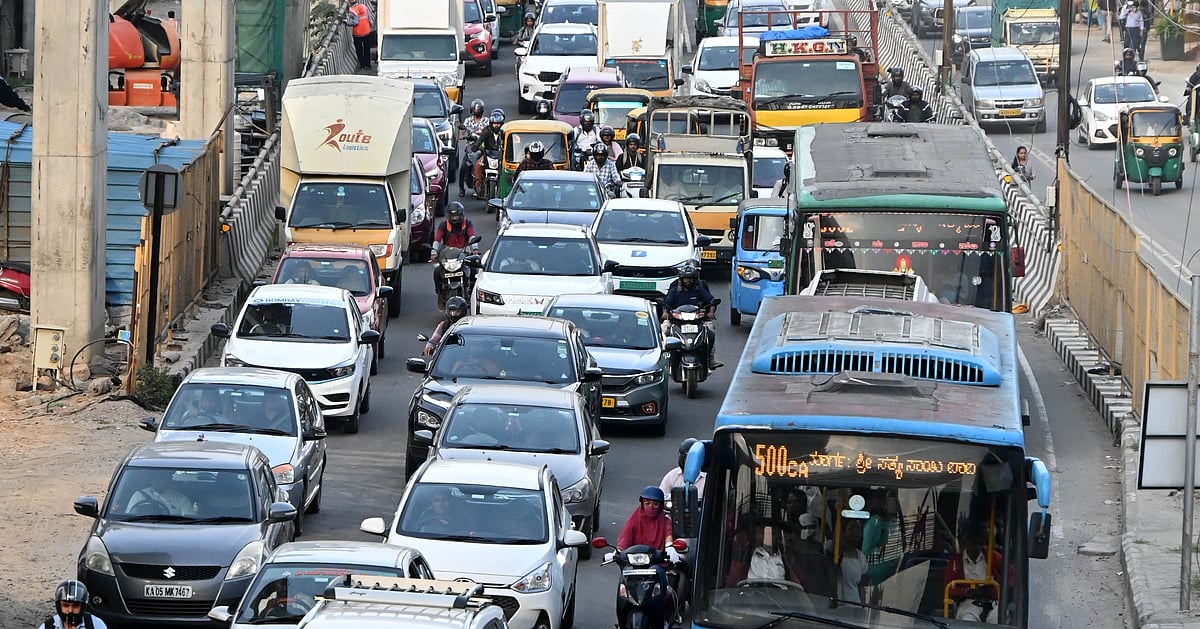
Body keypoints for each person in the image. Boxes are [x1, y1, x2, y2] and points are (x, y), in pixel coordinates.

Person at [944, 525, 1013, 622]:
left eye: (979, 542)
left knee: (999, 618)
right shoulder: (956, 560)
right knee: (967, 619)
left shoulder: (991, 555)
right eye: (973, 541)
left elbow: (1012, 575)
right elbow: (950, 587)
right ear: (966, 542)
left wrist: (994, 589)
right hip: (970, 602)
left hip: (993, 601)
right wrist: (967, 591)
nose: (976, 545)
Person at [662, 264, 722, 369]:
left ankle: (711, 359)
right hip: (677, 320)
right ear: (681, 279)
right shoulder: (675, 290)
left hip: (697, 320)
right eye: (686, 279)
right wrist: (665, 313)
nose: (688, 281)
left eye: (690, 279)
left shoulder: (699, 290)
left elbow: (712, 301)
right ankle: (662, 358)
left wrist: (711, 312)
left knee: (710, 330)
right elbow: (666, 303)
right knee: (664, 328)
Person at [861, 489, 905, 586]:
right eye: (893, 498)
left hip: (896, 575)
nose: (898, 502)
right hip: (877, 578)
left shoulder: (898, 522)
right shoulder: (875, 523)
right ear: (883, 502)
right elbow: (866, 553)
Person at [617, 486, 674, 550]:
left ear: (660, 506)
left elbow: (669, 534)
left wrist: (669, 547)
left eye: (655, 504)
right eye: (647, 504)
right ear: (642, 505)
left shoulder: (665, 521)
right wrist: (618, 551)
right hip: (634, 556)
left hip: (659, 557)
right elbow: (625, 538)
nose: (651, 507)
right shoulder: (634, 520)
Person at [40, 580, 107, 629]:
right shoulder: (47, 627)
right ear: (59, 606)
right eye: (66, 605)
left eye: (75, 606)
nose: (70, 610)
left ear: (82, 606)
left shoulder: (96, 625)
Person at [128, 472, 196, 516]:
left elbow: (188, 519)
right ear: (150, 480)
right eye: (156, 478)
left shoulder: (181, 499)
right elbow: (129, 514)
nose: (159, 481)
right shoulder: (139, 495)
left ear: (169, 480)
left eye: (163, 478)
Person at [472, 110, 506, 198]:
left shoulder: (504, 132)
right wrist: (475, 146)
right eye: (494, 123)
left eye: (498, 123)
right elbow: (480, 140)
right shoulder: (487, 130)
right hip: (488, 154)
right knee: (478, 166)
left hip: (501, 155)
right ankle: (478, 186)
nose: (496, 125)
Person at [459, 99, 488, 195]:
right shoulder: (468, 120)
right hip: (471, 147)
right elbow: (462, 132)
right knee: (463, 167)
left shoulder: (486, 121)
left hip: (483, 147)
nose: (477, 113)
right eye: (475, 111)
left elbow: (488, 130)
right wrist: (463, 135)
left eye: (478, 111)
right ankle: (461, 188)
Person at [348, 0, 374, 70]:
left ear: (350, 2)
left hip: (357, 33)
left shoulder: (352, 10)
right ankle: (368, 65)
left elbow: (355, 22)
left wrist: (347, 23)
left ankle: (362, 65)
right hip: (366, 31)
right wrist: (370, 27)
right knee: (367, 48)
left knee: (359, 49)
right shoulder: (364, 6)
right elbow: (370, 20)